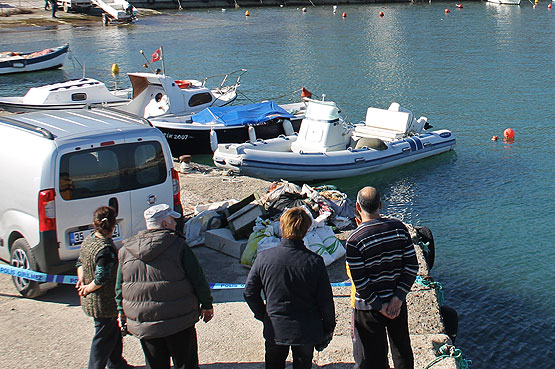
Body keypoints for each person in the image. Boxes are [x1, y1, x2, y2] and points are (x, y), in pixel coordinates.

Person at [115, 204, 214, 369]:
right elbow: (198, 278)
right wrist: (206, 304)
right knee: (186, 364)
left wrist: (121, 312)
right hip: (179, 321)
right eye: (172, 221)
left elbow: (120, 286)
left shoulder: (126, 251)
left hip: (146, 324)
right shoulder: (178, 246)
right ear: (165, 224)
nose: (175, 224)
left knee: (155, 365)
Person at [244, 207, 336, 369]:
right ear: (306, 229)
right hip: (306, 330)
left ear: (282, 226)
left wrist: (263, 315)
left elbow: (249, 292)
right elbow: (325, 301)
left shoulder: (264, 258)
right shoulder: (314, 262)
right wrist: (328, 328)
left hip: (275, 326)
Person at [346, 187, 419, 369]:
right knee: (402, 350)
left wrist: (379, 306)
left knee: (373, 357)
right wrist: (397, 298)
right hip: (397, 304)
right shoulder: (399, 229)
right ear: (380, 205)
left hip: (368, 309)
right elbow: (411, 266)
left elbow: (360, 281)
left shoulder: (354, 240)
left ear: (357, 206)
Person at [76, 206, 133, 369]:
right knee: (103, 338)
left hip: (93, 300)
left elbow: (80, 262)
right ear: (113, 226)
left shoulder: (89, 240)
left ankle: (116, 363)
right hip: (104, 303)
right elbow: (102, 278)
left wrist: (81, 278)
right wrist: (87, 287)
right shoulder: (105, 249)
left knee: (113, 333)